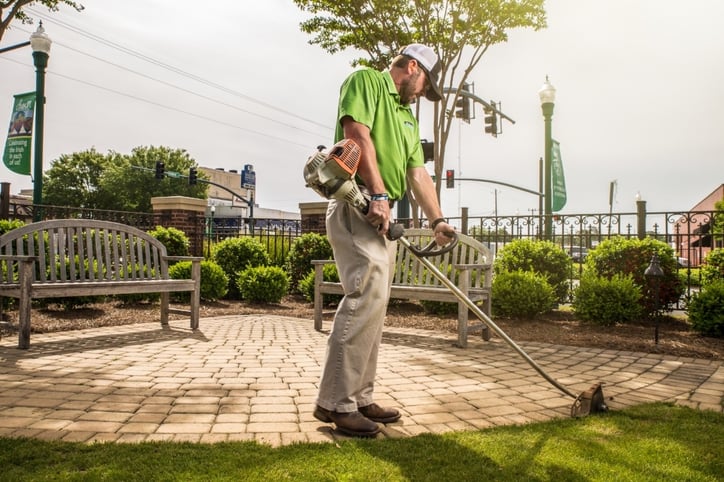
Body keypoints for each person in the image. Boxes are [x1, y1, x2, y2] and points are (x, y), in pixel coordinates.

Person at [314, 44, 454, 437]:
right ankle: (335, 403)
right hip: (358, 202)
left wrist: (437, 218)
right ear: (412, 67)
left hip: (382, 213)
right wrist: (376, 194)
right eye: (425, 82)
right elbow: (356, 135)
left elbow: (417, 174)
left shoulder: (408, 119)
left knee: (375, 305)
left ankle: (359, 397)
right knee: (363, 298)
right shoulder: (367, 81)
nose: (423, 92)